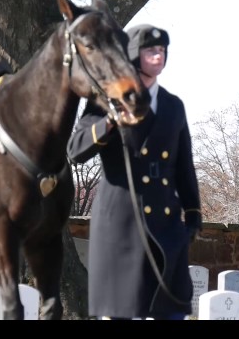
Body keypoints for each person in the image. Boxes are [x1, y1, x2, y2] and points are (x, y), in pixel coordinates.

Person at [66, 24, 202, 320]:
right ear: (132, 56)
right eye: (150, 51)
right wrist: (110, 122)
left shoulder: (173, 106)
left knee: (171, 311)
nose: (158, 56)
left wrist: (193, 215)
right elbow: (75, 150)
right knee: (121, 314)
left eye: (162, 51)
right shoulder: (105, 100)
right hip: (121, 228)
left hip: (166, 229)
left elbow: (184, 166)